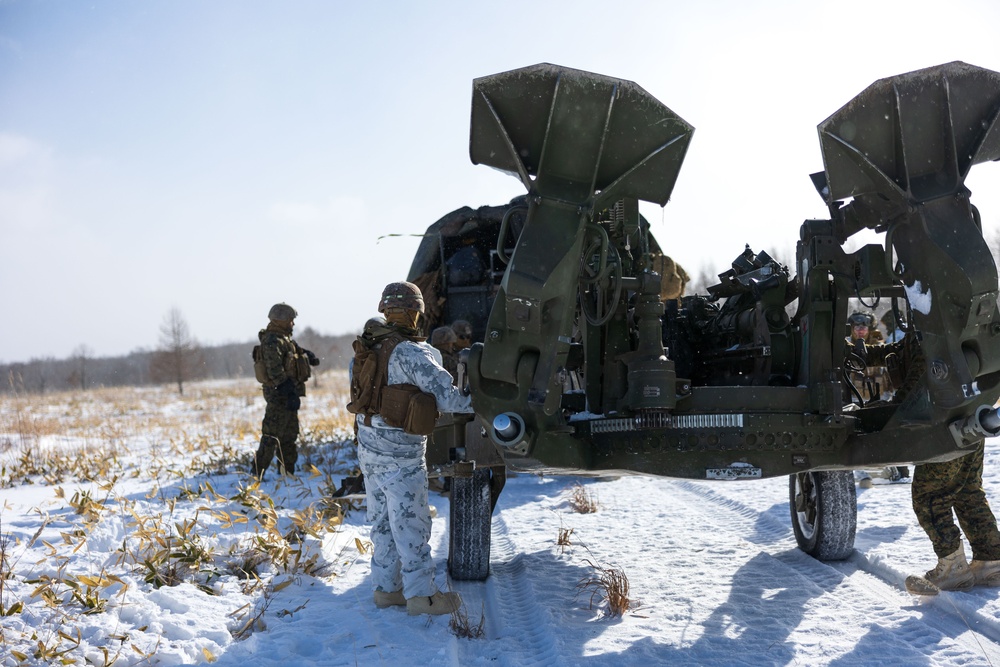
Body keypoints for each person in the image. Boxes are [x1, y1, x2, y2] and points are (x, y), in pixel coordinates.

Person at [354, 282, 474, 615]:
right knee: (411, 524)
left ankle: (387, 589)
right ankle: (422, 597)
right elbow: (449, 398)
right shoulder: (410, 351)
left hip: (369, 449)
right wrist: (481, 400)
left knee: (381, 523)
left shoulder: (367, 348)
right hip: (401, 455)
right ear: (414, 311)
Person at [905, 443, 1000, 594]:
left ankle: (952, 568)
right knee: (968, 490)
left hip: (943, 425)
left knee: (930, 493)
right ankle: (990, 560)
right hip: (973, 423)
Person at [251, 302, 320, 478]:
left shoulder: (284, 339)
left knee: (289, 435)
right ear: (280, 320)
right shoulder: (271, 340)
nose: (293, 324)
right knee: (271, 436)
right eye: (290, 320)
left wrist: (307, 355)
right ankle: (257, 474)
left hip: (288, 396)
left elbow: (291, 351)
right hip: (278, 396)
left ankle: (287, 471)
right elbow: (275, 371)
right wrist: (289, 392)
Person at [844, 311, 908, 487]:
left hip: (879, 398)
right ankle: (862, 472)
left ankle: (894, 469)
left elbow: (890, 375)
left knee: (884, 434)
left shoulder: (881, 348)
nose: (860, 330)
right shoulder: (846, 348)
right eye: (856, 327)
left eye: (864, 327)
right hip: (855, 400)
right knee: (856, 436)